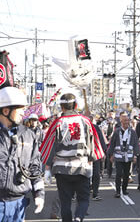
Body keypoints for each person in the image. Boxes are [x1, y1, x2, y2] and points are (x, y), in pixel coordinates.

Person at [39, 93, 104, 222]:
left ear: (61, 107)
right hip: (81, 167)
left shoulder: (57, 123)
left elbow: (49, 145)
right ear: (75, 105)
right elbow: (93, 143)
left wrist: (47, 168)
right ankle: (79, 217)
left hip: (61, 169)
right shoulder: (85, 121)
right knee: (84, 199)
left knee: (65, 202)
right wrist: (91, 161)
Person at [0, 86, 45, 221]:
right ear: (6, 110)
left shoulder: (28, 135)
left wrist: (39, 193)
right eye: (20, 109)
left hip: (18, 204)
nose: (23, 113)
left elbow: (34, 166)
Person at [108, 114, 140, 197]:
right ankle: (118, 191)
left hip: (128, 156)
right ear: (121, 122)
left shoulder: (132, 132)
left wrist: (135, 155)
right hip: (118, 156)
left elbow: (136, 143)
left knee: (126, 174)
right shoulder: (116, 131)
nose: (126, 122)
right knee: (118, 173)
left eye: (127, 120)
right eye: (124, 121)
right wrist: (111, 155)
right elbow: (112, 144)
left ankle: (124, 189)